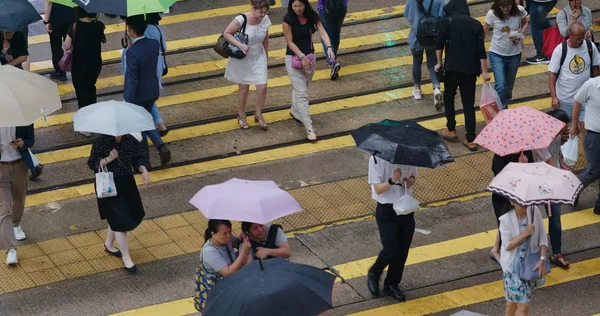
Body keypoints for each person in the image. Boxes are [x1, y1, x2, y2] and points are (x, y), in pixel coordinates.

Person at [87, 134, 151, 273]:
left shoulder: (130, 140)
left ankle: (109, 244)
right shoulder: (101, 141)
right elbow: (92, 163)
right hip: (109, 186)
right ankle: (126, 258)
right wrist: (109, 158)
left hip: (127, 183)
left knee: (126, 215)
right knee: (121, 222)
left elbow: (139, 158)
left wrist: (144, 170)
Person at [434, 0, 490, 151]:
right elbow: (481, 50)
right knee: (468, 104)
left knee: (449, 97)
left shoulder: (447, 21)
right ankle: (471, 139)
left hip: (452, 68)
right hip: (470, 71)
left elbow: (438, 44)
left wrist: (439, 63)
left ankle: (451, 129)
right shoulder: (476, 24)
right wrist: (484, 71)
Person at [282, 0, 336, 141]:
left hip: (310, 60)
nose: (298, 9)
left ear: (305, 5)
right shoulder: (287, 19)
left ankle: (295, 111)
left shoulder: (312, 16)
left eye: (300, 6)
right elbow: (290, 42)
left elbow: (322, 32)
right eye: (295, 6)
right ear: (290, 6)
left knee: (301, 87)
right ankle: (309, 128)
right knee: (302, 94)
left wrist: (329, 47)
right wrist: (302, 56)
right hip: (293, 59)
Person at [366, 156, 417, 302]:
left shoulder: (410, 157)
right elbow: (378, 189)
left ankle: (391, 283)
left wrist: (409, 182)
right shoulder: (376, 160)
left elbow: (413, 178)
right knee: (390, 250)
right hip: (386, 211)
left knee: (402, 250)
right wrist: (392, 180)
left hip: (405, 209)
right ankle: (375, 272)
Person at [123, 15, 171, 167]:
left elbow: (131, 78)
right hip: (152, 90)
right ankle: (161, 147)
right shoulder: (152, 44)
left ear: (131, 31)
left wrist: (127, 100)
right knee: (146, 121)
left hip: (138, 94)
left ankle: (144, 162)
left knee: (140, 127)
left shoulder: (132, 53)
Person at [223, 0, 272, 130]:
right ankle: (241, 114)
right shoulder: (241, 19)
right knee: (244, 88)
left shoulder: (265, 19)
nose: (263, 15)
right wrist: (241, 45)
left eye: (265, 12)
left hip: (258, 55)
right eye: (260, 12)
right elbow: (226, 33)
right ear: (254, 8)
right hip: (242, 56)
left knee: (262, 86)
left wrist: (266, 57)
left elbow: (266, 38)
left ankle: (258, 114)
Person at [531, 109, 571, 268]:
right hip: (541, 183)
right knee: (534, 219)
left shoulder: (555, 134)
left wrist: (561, 141)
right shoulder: (538, 140)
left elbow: (557, 154)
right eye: (562, 128)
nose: (564, 131)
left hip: (552, 181)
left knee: (555, 218)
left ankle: (556, 252)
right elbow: (550, 164)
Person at [548, 22, 600, 134]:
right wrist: (554, 97)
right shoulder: (560, 50)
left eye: (581, 38)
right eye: (576, 39)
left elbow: (596, 67)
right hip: (565, 100)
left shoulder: (590, 46)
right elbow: (552, 74)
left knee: (588, 131)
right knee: (565, 132)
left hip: (585, 99)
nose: (579, 41)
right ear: (569, 35)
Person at [499, 201, 548, 316]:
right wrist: (526, 233)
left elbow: (543, 237)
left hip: (529, 266)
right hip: (512, 268)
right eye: (519, 201)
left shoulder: (534, 210)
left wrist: (542, 258)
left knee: (512, 302)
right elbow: (507, 245)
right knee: (523, 306)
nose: (523, 203)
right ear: (511, 202)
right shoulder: (505, 219)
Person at [489, 151, 534, 263]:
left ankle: (497, 249)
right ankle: (502, 254)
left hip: (521, 197)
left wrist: (526, 165)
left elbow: (533, 174)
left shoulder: (527, 152)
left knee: (519, 226)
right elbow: (502, 179)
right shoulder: (500, 155)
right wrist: (519, 167)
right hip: (503, 198)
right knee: (505, 226)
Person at [484, 0, 529, 109]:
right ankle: (501, 110)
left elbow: (525, 22)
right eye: (502, 6)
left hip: (514, 54)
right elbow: (484, 33)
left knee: (508, 87)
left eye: (507, 6)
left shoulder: (519, 10)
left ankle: (502, 101)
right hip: (496, 53)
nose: (505, 9)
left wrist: (520, 33)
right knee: (500, 85)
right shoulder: (492, 14)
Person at [0, 124, 34, 265]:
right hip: (1, 168)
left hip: (20, 165)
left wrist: (22, 143)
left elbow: (30, 140)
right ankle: (11, 249)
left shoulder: (23, 116)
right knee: (5, 208)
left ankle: (16, 224)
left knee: (19, 199)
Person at [63, 7, 106, 116]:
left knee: (81, 91)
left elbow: (67, 46)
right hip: (94, 63)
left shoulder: (74, 26)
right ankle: (93, 113)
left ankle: (85, 118)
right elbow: (103, 39)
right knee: (91, 88)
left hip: (79, 64)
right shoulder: (98, 25)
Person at [405, 0, 445, 109]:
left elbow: (408, 16)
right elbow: (442, 18)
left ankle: (417, 89)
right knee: (433, 63)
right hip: (432, 39)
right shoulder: (438, 1)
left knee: (416, 62)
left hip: (416, 38)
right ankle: (436, 88)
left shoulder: (411, 1)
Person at [571, 74, 600, 215]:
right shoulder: (592, 85)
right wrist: (574, 125)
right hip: (594, 136)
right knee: (595, 169)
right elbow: (577, 101)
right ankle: (574, 189)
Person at [43, 0, 77, 81]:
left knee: (56, 47)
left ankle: (60, 72)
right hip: (72, 17)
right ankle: (75, 70)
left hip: (56, 19)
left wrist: (46, 21)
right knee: (72, 46)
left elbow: (49, 2)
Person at [317, 0, 345, 79]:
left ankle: (332, 61)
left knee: (326, 36)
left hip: (325, 9)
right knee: (336, 33)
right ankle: (333, 56)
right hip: (341, 7)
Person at [525, 0, 558, 64]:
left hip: (539, 2)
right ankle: (552, 48)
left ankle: (542, 55)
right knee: (541, 20)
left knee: (536, 26)